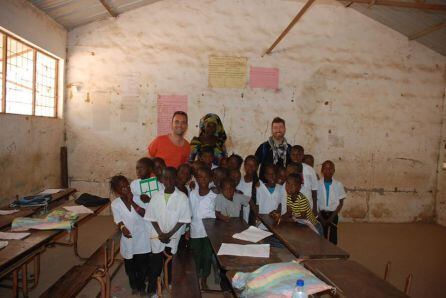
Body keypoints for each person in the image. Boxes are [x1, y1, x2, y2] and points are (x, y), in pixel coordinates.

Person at [144, 167, 191, 295]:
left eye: (171, 178)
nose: (168, 180)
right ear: (162, 180)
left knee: (170, 261)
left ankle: (169, 282)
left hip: (173, 235)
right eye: (165, 178)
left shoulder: (182, 197)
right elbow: (151, 217)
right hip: (157, 234)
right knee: (156, 264)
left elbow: (183, 219)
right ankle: (152, 289)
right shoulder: (156, 196)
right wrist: (160, 233)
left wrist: (169, 234)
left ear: (176, 179)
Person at [110, 175, 151, 296]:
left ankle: (142, 286)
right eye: (122, 188)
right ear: (117, 191)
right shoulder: (115, 204)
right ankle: (134, 285)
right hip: (129, 240)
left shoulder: (139, 198)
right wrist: (123, 228)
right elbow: (118, 221)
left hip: (142, 238)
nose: (126, 189)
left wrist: (132, 201)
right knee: (130, 266)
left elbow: (144, 214)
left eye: (127, 186)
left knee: (143, 266)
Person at [187, 166, 216, 290]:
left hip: (209, 232)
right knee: (196, 255)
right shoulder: (192, 194)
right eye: (199, 177)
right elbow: (189, 213)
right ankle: (196, 277)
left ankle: (204, 278)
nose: (202, 180)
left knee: (207, 256)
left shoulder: (213, 196)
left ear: (210, 179)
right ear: (196, 179)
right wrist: (187, 229)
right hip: (195, 230)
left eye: (205, 177)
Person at [317, 160, 346, 245]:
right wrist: (320, 217)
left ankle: (333, 251)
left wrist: (332, 217)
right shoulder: (317, 184)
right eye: (325, 168)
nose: (328, 171)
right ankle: (322, 251)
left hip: (333, 213)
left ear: (333, 170)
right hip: (320, 213)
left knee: (333, 234)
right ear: (322, 171)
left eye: (330, 169)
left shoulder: (338, 185)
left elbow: (341, 203)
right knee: (322, 234)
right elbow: (315, 201)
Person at [255, 164, 286, 230]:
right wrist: (257, 218)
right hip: (261, 224)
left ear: (277, 175)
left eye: (274, 174)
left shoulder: (281, 188)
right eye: (269, 174)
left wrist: (277, 211)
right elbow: (257, 205)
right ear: (265, 176)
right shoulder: (259, 187)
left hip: (274, 224)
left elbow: (281, 204)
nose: (271, 176)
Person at [289, 145, 318, 214]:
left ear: (302, 156)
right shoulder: (288, 169)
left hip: (307, 205)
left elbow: (314, 190)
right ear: (290, 155)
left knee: (306, 224)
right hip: (291, 206)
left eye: (298, 155)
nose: (296, 157)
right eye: (293, 154)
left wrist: (315, 208)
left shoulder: (310, 170)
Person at [237, 155, 259, 223]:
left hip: (252, 219)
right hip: (239, 217)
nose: (250, 167)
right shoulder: (238, 181)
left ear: (257, 167)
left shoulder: (259, 185)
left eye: (253, 165)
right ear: (244, 166)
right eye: (248, 165)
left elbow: (259, 204)